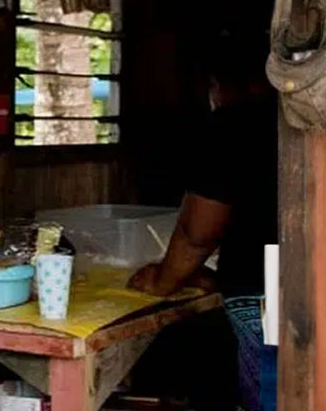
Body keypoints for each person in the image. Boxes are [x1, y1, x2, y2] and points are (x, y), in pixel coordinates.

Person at [128, 31, 277, 411]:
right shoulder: (299, 118)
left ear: (220, 84)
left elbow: (199, 232)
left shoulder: (232, 124)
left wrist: (163, 281)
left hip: (267, 294)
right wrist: (208, 277)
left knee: (273, 396)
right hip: (317, 287)